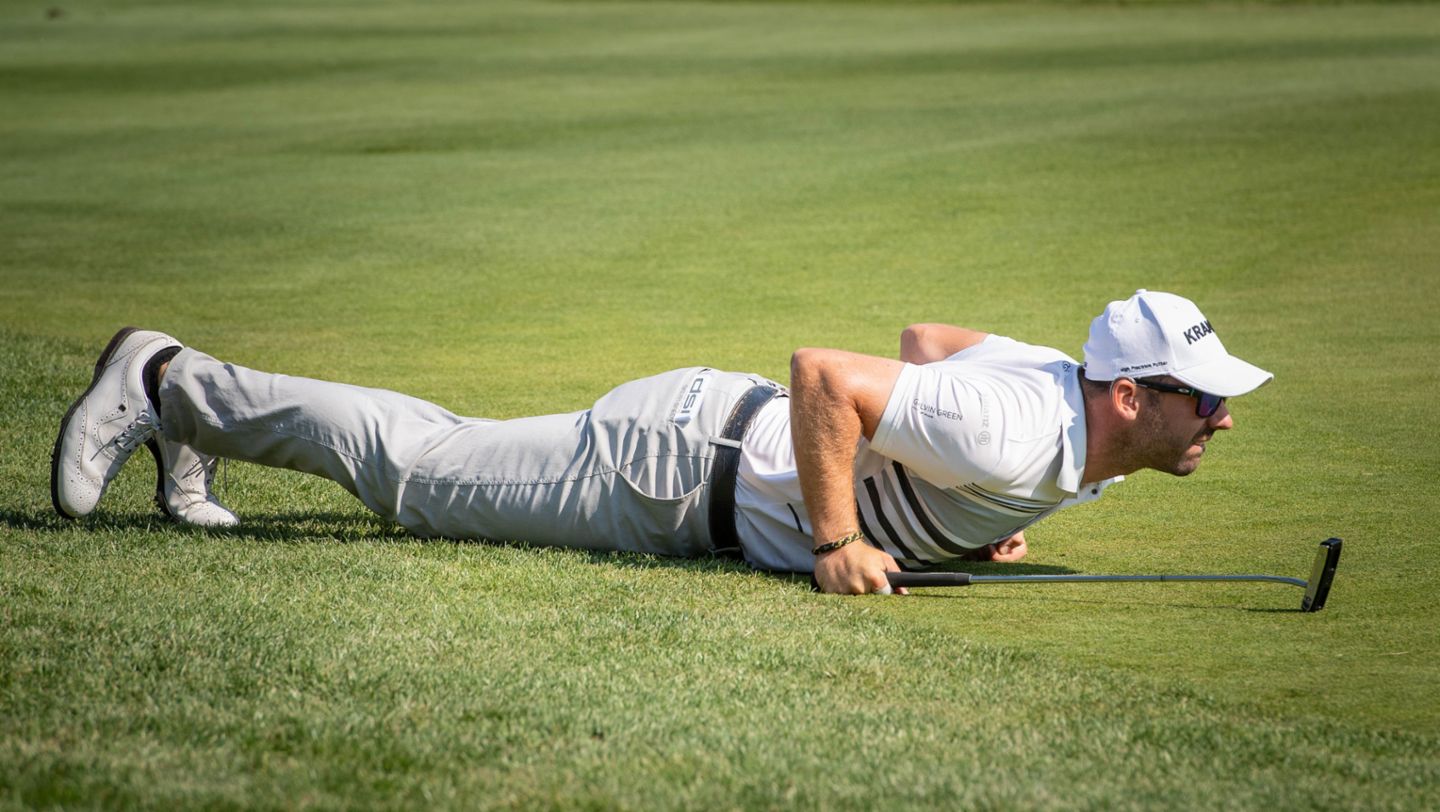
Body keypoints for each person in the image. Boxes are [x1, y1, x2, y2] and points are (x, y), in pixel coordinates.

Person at [50, 289, 1272, 594]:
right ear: (1125, 393)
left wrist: (969, 513)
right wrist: (846, 535)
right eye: (1201, 398)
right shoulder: (1015, 421)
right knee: (420, 469)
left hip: (705, 449)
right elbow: (828, 375)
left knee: (430, 453)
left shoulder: (1065, 429)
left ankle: (187, 423)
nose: (1220, 416)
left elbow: (927, 334)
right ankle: (165, 376)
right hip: (677, 466)